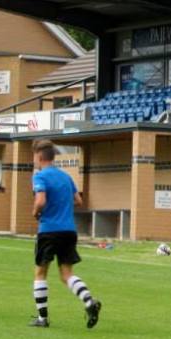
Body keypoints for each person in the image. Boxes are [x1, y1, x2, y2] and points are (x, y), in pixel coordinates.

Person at [30, 139, 101, 329]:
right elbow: (78, 200)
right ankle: (88, 300)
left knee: (40, 272)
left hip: (49, 230)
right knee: (67, 274)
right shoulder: (65, 176)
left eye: (34, 157)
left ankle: (42, 318)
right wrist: (61, 205)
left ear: (39, 157)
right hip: (69, 230)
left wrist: (35, 212)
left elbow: (41, 201)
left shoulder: (40, 177)